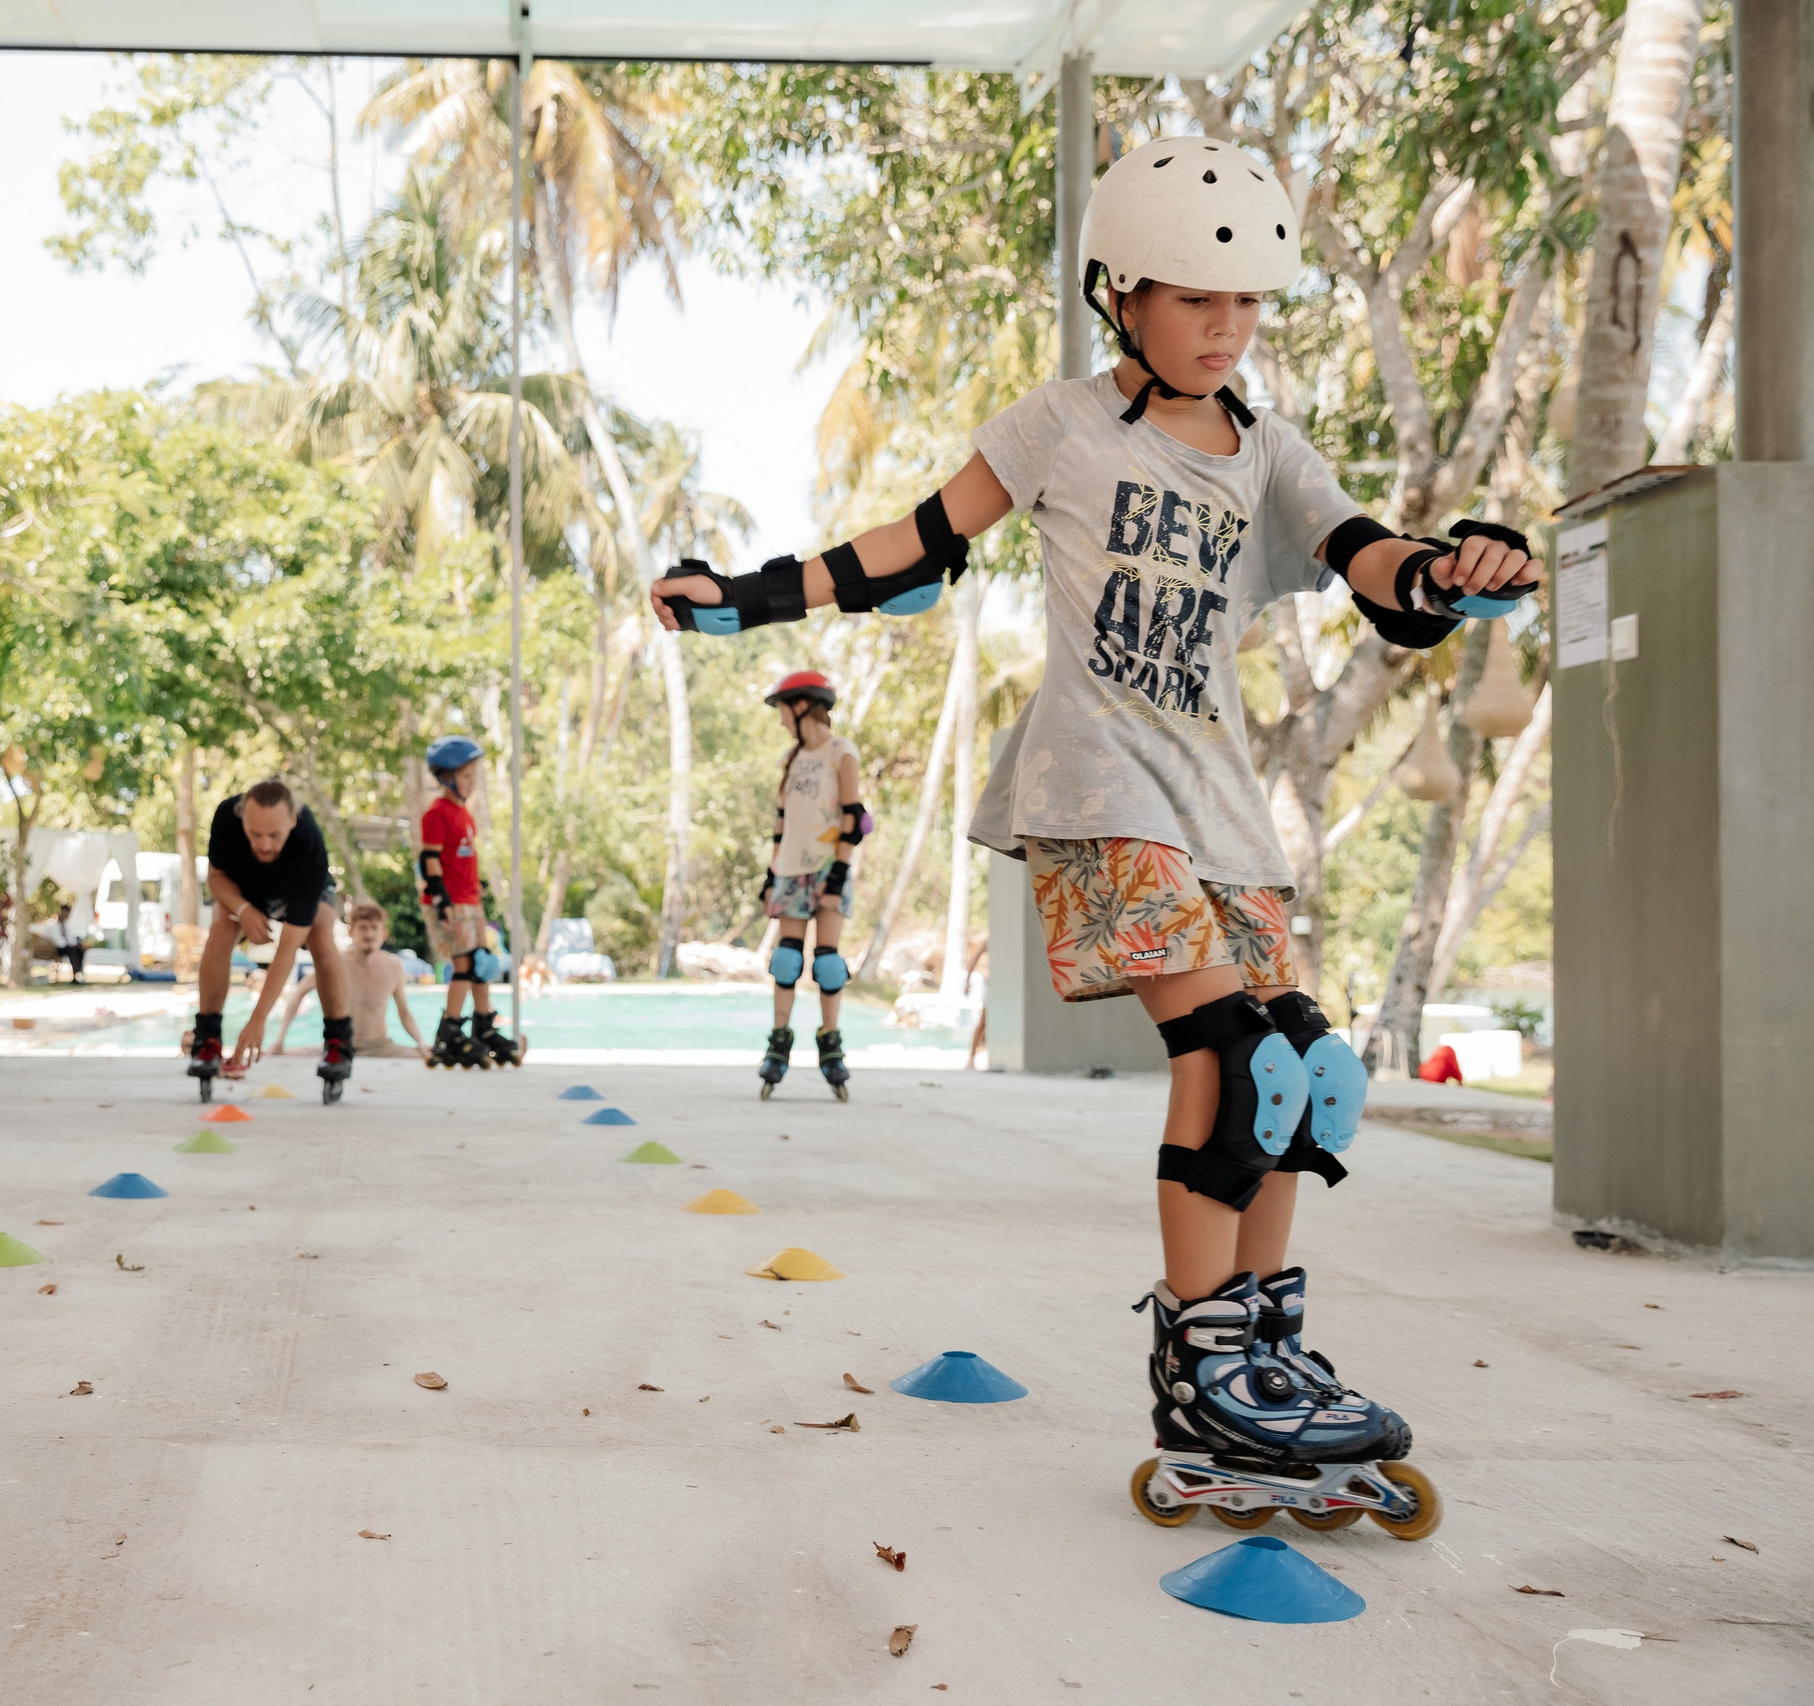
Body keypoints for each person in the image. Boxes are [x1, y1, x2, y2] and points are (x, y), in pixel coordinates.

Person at [649, 135, 1536, 1533]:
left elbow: (1377, 562)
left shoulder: (1269, 450)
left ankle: (1266, 1342)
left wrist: (1455, 567)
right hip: (1097, 783)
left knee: (1304, 1067)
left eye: (1246, 304)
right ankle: (1203, 1364)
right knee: (1231, 1058)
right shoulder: (1058, 424)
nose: (1225, 327)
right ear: (1120, 293)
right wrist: (746, 595)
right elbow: (915, 542)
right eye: (1196, 299)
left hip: (1221, 803)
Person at [184, 778, 356, 1100]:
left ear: (292, 821)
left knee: (320, 935)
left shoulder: (309, 845)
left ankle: (339, 1043)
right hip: (246, 890)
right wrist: (243, 908)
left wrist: (258, 1018)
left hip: (298, 890)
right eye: (255, 834)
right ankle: (207, 1039)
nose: (264, 845)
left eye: (274, 835)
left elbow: (287, 949)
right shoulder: (226, 816)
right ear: (242, 818)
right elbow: (217, 877)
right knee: (221, 926)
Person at [753, 672, 868, 1102]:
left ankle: (831, 1046)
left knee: (828, 963)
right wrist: (771, 875)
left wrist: (838, 875)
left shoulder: (843, 754)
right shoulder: (791, 758)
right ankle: (778, 1044)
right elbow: (782, 823)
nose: (781, 719)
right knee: (786, 961)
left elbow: (852, 819)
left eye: (783, 709)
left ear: (802, 706)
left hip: (828, 868)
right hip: (789, 871)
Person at [416, 736, 522, 1068]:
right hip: (449, 902)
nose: (471, 783)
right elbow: (429, 859)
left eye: (473, 776)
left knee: (480, 963)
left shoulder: (464, 814)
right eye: (465, 776)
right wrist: (443, 900)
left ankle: (482, 1024)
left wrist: (480, 887)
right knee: (464, 965)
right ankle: (448, 1031)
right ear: (445, 777)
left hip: (470, 900)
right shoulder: (437, 813)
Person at [278, 898, 428, 1061]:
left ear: (383, 933)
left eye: (374, 928)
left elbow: (404, 1011)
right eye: (363, 928)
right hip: (337, 1046)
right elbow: (298, 994)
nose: (369, 934)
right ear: (351, 932)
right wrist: (280, 1041)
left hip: (380, 1047)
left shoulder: (393, 966)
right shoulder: (335, 963)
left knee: (430, 1059)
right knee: (279, 1056)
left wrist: (421, 1043)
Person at [37, 902, 88, 984]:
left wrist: (78, 945)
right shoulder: (53, 924)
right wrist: (73, 945)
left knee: (79, 950)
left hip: (65, 947)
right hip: (54, 948)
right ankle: (77, 974)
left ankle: (77, 974)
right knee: (72, 950)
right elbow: (59, 942)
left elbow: (70, 938)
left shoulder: (65, 924)